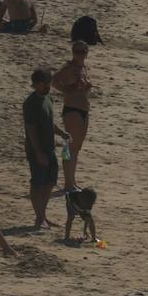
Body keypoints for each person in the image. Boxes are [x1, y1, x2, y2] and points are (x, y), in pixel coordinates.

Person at [23, 68, 69, 228]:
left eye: (48, 83)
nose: (47, 86)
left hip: (49, 148)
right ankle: (39, 218)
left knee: (50, 182)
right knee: (37, 183)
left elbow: (50, 122)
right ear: (35, 84)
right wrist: (38, 152)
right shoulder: (31, 103)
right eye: (43, 84)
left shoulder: (48, 99)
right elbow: (31, 129)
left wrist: (61, 133)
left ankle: (43, 215)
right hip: (37, 150)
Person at [52, 40, 92, 191]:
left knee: (77, 148)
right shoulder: (69, 67)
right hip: (72, 109)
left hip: (83, 109)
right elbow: (54, 80)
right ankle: (68, 183)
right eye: (78, 51)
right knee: (70, 146)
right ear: (73, 52)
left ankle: (72, 181)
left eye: (83, 52)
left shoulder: (82, 68)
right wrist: (66, 90)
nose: (81, 54)